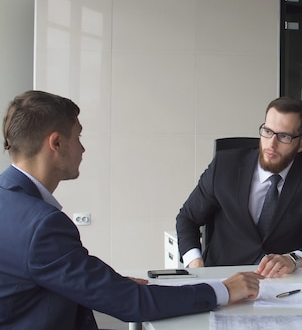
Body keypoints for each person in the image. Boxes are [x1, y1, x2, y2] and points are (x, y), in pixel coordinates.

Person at [0, 90, 264, 330]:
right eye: (78, 137)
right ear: (56, 144)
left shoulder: (10, 201)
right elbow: (132, 305)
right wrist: (224, 290)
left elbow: (51, 270)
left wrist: (110, 285)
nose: (83, 148)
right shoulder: (42, 225)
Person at [176, 97, 302, 278]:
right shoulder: (225, 165)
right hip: (226, 276)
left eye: (284, 136)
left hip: (282, 281)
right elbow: (187, 218)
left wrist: (293, 259)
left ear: (301, 144)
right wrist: (195, 263)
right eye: (267, 131)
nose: (271, 144)